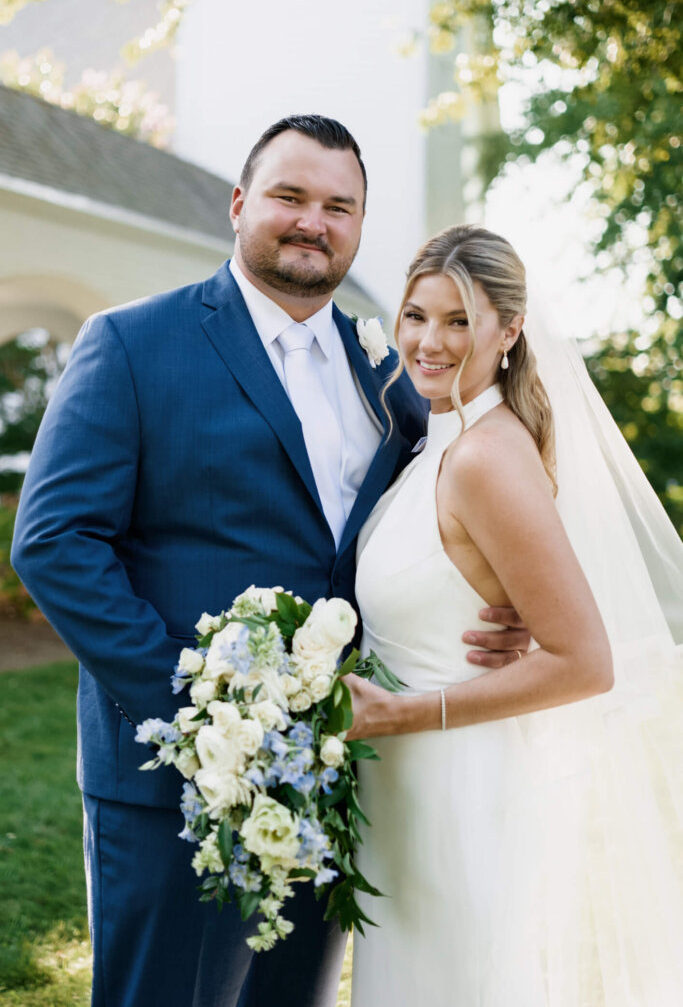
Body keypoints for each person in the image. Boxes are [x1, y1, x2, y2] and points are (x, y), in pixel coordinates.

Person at [10, 120, 526, 1007]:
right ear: (241, 203)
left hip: (330, 779)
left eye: (339, 206)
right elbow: (55, 541)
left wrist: (496, 596)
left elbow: (427, 517)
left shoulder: (389, 372)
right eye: (290, 196)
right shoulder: (131, 344)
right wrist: (195, 710)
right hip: (178, 777)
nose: (312, 222)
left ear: (360, 225)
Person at [346, 224, 683, 1006]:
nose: (429, 341)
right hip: (406, 794)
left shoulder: (484, 456)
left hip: (462, 795)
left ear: (510, 329)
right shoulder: (439, 441)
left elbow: (584, 660)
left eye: (459, 320)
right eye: (416, 315)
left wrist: (403, 713)